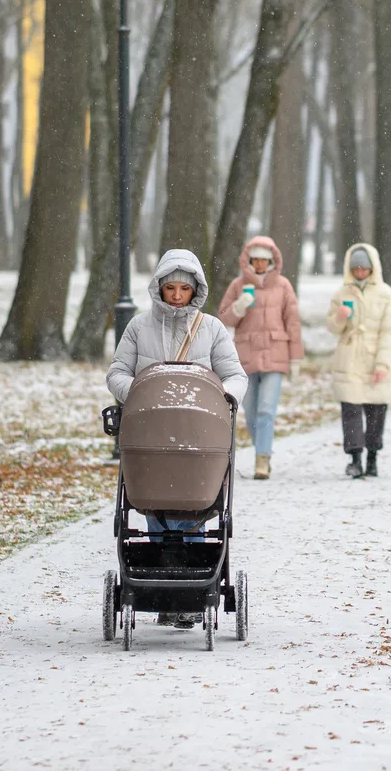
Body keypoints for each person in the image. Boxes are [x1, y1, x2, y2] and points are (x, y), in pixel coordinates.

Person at [108, 249, 247, 629]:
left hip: (197, 431)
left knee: (194, 500)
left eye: (183, 289)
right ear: (160, 288)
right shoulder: (139, 327)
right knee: (156, 498)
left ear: (195, 290)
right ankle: (163, 586)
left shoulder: (212, 328)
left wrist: (225, 397)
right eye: (169, 288)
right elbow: (118, 372)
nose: (176, 295)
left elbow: (234, 373)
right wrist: (138, 391)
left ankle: (188, 588)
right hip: (151, 429)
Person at [218, 236, 304, 481]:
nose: (259, 264)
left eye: (264, 260)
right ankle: (261, 449)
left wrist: (295, 359)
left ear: (272, 261)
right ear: (248, 260)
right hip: (246, 355)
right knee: (251, 410)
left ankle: (262, 459)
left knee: (267, 410)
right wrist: (239, 307)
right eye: (255, 260)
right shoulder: (238, 285)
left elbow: (293, 323)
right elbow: (223, 319)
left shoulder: (284, 286)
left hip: (276, 354)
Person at [327, 242, 391, 480]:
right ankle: (355, 458)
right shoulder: (342, 293)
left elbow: (390, 331)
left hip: (374, 357)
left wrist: (383, 364)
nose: (360, 273)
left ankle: (372, 457)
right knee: (350, 409)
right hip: (349, 357)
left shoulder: (385, 294)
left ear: (372, 269)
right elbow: (332, 327)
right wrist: (340, 318)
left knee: (376, 410)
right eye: (356, 269)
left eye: (364, 269)